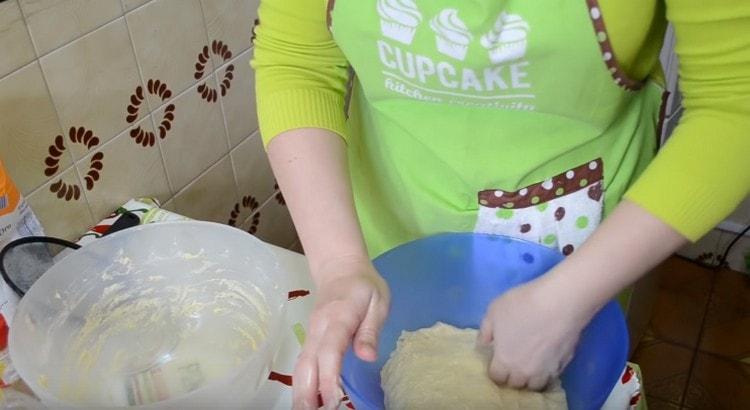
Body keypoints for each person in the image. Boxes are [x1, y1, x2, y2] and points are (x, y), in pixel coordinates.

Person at [252, 0, 750, 408]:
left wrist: (569, 298)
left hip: (575, 254)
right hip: (389, 231)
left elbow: (735, 105)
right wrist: (340, 264)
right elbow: (297, 61)